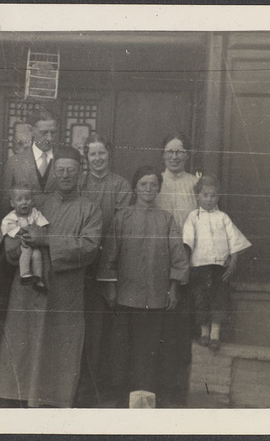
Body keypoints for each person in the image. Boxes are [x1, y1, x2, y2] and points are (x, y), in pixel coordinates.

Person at [0, 145, 103, 408]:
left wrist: (47, 240)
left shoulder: (90, 209)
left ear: (80, 173)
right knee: (25, 340)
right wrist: (15, 245)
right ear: (54, 171)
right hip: (30, 288)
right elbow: (9, 233)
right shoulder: (36, 202)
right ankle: (19, 397)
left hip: (66, 290)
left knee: (60, 343)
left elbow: (89, 247)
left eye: (71, 170)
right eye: (60, 170)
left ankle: (53, 399)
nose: (65, 175)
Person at [97, 165, 189, 407]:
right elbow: (109, 256)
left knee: (149, 350)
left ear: (158, 189)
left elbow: (178, 257)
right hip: (125, 296)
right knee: (120, 348)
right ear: (135, 188)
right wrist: (111, 289)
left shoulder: (166, 219)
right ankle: (119, 396)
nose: (148, 189)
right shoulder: (123, 217)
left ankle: (146, 398)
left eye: (153, 185)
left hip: (156, 297)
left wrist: (174, 288)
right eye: (143, 184)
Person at [76, 133, 132, 406]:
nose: (97, 159)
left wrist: (107, 264)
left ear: (109, 154)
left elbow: (119, 227)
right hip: (79, 264)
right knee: (81, 326)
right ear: (86, 158)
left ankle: (103, 386)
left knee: (105, 328)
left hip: (108, 263)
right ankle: (80, 383)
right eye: (92, 154)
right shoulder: (79, 182)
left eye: (102, 153)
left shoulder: (120, 185)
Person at [154, 131, 199, 407]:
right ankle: (158, 382)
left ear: (187, 155)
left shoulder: (195, 184)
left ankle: (177, 386)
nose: (174, 156)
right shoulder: (155, 183)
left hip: (187, 259)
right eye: (169, 151)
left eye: (179, 151)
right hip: (157, 261)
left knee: (181, 323)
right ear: (163, 155)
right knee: (159, 323)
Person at [183, 174, 251, 351]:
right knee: (201, 299)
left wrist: (233, 261)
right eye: (205, 195)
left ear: (218, 197)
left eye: (213, 195)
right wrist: (185, 262)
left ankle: (215, 334)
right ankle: (204, 333)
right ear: (197, 196)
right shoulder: (193, 217)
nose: (209, 199)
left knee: (219, 299)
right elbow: (188, 241)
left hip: (219, 267)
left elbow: (234, 240)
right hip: (199, 267)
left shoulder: (223, 217)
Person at [1, 108, 60, 214]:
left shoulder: (64, 159)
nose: (50, 138)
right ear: (31, 130)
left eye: (53, 133)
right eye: (44, 133)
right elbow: (6, 202)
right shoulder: (15, 162)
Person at [1, 183, 49, 290]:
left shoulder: (35, 213)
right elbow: (7, 228)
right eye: (19, 200)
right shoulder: (12, 217)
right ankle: (25, 274)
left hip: (34, 243)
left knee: (37, 255)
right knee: (26, 251)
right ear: (12, 203)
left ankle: (37, 278)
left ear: (32, 201)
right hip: (21, 242)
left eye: (27, 199)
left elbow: (42, 224)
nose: (24, 202)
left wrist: (42, 230)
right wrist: (19, 230)